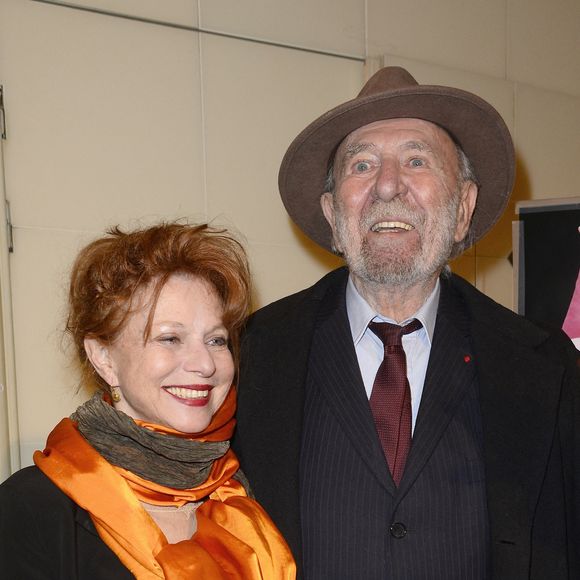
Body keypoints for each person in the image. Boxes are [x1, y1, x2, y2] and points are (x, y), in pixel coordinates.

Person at [232, 67, 580, 579]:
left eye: (416, 160)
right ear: (332, 213)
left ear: (462, 207)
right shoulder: (252, 355)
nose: (388, 185)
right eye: (362, 164)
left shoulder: (548, 369)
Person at [0, 222, 295, 579]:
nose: (204, 364)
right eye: (170, 338)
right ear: (104, 357)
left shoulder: (245, 489)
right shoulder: (34, 508)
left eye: (216, 340)